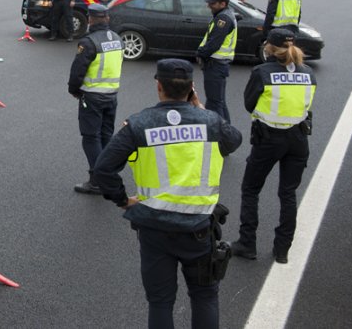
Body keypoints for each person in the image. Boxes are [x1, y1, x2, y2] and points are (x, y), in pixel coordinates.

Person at [93, 59, 243, 329]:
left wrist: (123, 200)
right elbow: (235, 140)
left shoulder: (139, 124)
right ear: (191, 88)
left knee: (161, 302)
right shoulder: (211, 122)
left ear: (158, 86)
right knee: (204, 295)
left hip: (154, 229)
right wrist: (198, 106)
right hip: (198, 229)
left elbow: (103, 169)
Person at [232, 28, 316, 264]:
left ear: (269, 47)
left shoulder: (262, 72)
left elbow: (250, 104)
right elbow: (307, 105)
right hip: (298, 139)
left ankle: (247, 243)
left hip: (268, 138)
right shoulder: (308, 73)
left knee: (251, 189)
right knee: (288, 194)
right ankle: (282, 250)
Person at [70, 4, 123, 194]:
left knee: (91, 138)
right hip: (111, 96)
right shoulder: (117, 39)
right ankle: (108, 174)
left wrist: (74, 90)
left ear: (91, 19)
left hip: (92, 97)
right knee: (106, 136)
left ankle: (98, 180)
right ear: (106, 19)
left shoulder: (89, 42)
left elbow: (77, 71)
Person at [196, 0, 237, 122]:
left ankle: (218, 134)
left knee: (214, 103)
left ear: (223, 4)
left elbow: (214, 43)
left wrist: (201, 53)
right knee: (219, 102)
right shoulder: (226, 15)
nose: (209, 5)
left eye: (213, 3)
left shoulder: (223, 19)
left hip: (215, 64)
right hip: (220, 64)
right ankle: (227, 131)